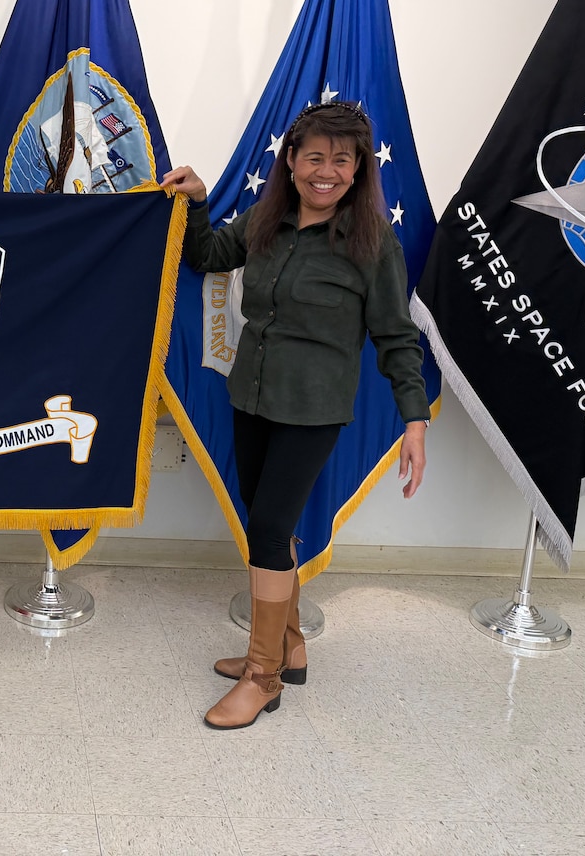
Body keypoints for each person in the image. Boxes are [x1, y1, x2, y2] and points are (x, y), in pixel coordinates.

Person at [161, 101, 428, 730]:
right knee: (269, 525)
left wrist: (414, 421)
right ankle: (291, 643)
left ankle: (264, 676)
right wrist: (198, 201)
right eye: (315, 156)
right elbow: (207, 253)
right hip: (251, 397)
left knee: (271, 525)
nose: (326, 171)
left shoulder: (372, 244)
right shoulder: (266, 218)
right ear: (292, 159)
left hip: (314, 409)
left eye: (342, 159)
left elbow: (396, 336)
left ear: (360, 168)